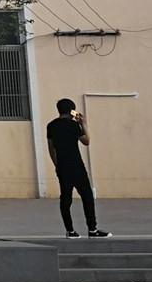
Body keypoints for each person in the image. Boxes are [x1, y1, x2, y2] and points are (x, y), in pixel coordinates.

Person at [46, 97, 110, 239]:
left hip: (62, 167)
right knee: (87, 197)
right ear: (71, 111)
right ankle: (92, 229)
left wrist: (57, 165)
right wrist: (84, 124)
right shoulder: (73, 125)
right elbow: (86, 141)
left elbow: (51, 148)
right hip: (77, 166)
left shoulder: (51, 126)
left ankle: (70, 231)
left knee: (65, 199)